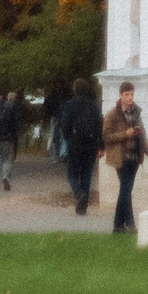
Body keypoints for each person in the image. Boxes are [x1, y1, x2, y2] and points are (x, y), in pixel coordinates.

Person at [102, 80, 148, 234]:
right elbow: (106, 136)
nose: (130, 98)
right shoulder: (112, 114)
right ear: (121, 95)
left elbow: (143, 135)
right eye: (127, 94)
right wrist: (125, 134)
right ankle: (118, 225)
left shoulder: (136, 112)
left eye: (131, 94)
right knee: (125, 190)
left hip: (134, 157)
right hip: (121, 158)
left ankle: (129, 225)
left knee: (126, 190)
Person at [58, 79, 102, 216]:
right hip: (91, 143)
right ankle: (83, 207)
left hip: (75, 142)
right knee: (86, 174)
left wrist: (68, 138)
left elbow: (65, 124)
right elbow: (100, 125)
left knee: (72, 174)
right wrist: (100, 144)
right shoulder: (93, 106)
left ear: (75, 90)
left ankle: (79, 194)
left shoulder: (70, 105)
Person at [0, 85, 20, 193]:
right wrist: (14, 136)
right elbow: (15, 123)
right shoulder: (10, 106)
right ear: (2, 96)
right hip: (7, 138)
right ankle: (6, 176)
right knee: (7, 159)